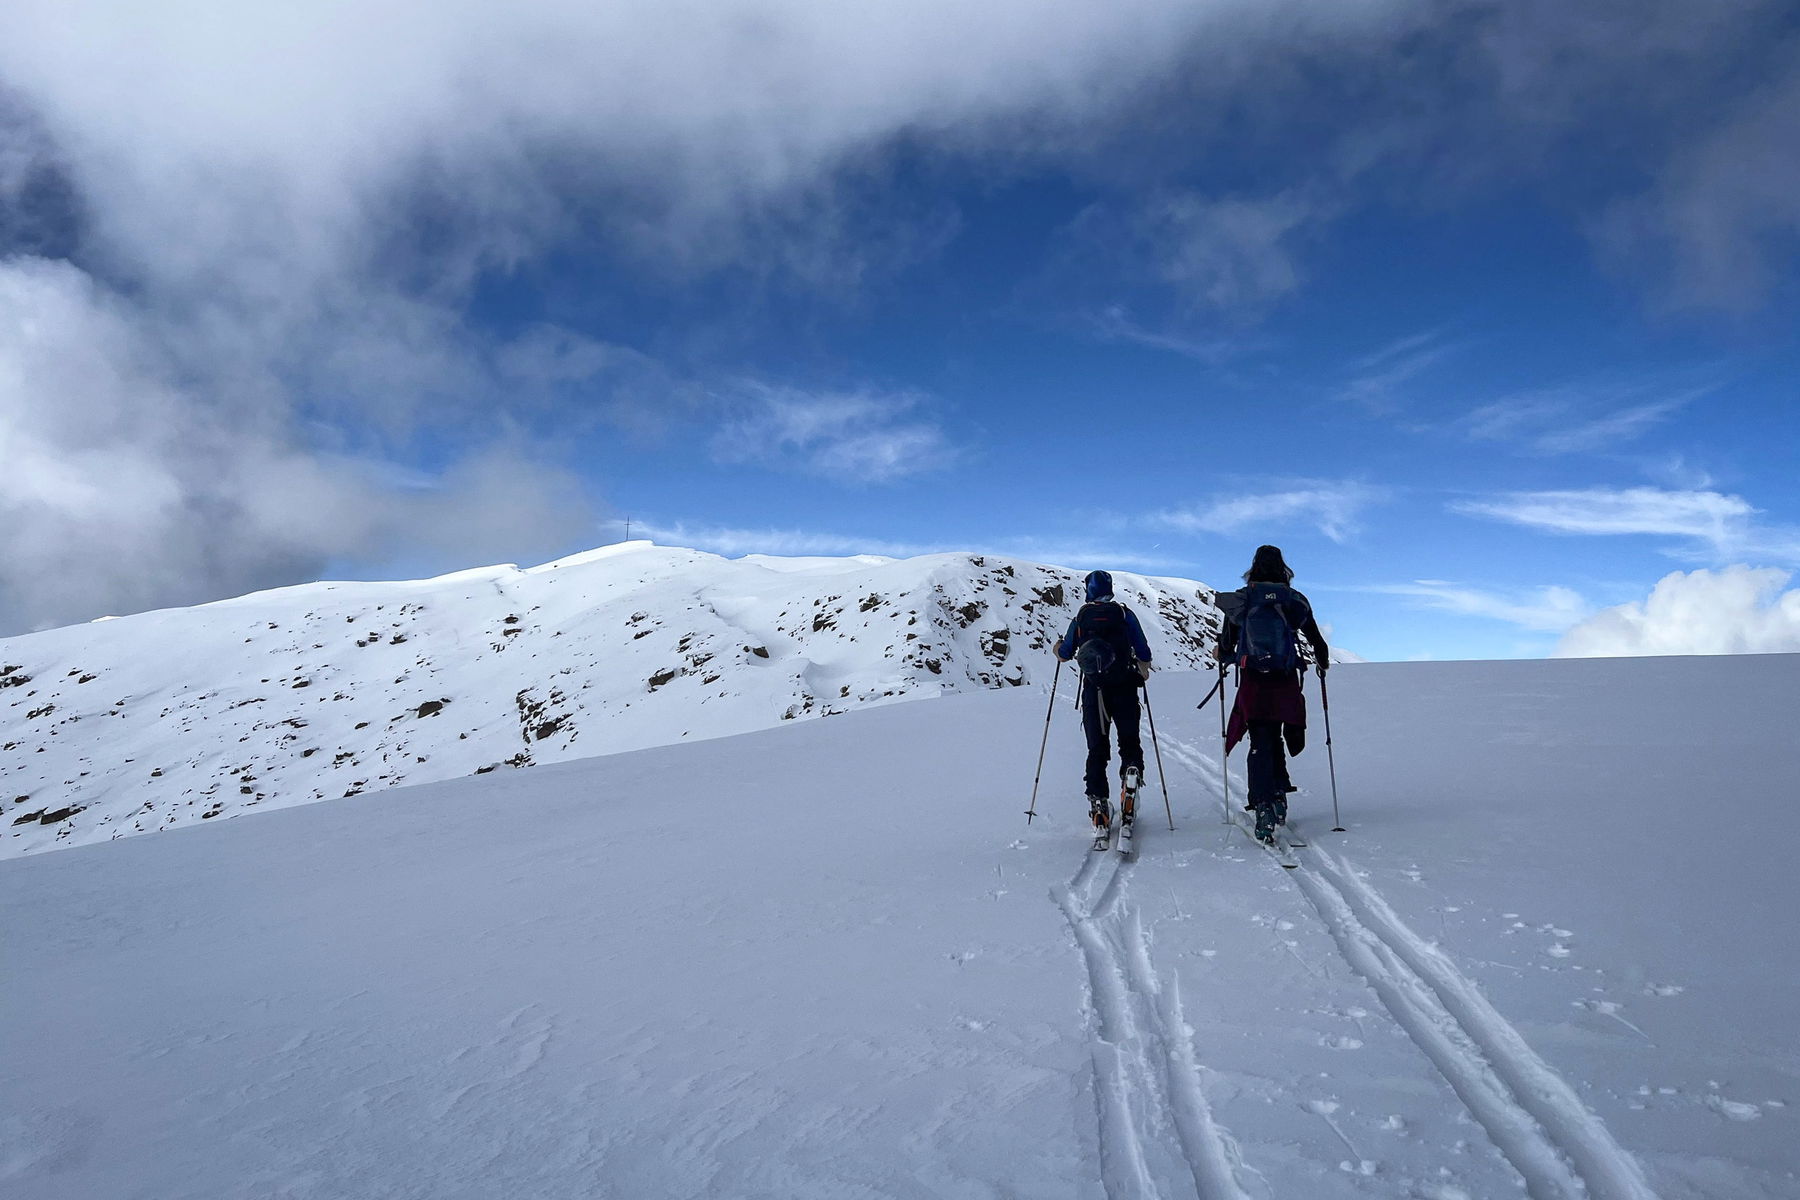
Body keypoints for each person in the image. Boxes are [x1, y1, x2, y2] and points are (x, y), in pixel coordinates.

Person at [1216, 545, 1329, 843]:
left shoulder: (1243, 599)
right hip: (1285, 679)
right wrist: (1322, 662)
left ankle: (1263, 804)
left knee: (1260, 739)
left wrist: (1226, 655)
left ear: (1253, 567)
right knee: (1276, 733)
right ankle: (1278, 796)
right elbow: (1317, 640)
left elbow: (1227, 643)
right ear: (1283, 568)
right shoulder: (1293, 599)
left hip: (1254, 679)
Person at [1055, 570, 1153, 836]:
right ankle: (1130, 777)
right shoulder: (1123, 614)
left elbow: (1065, 654)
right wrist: (1140, 664)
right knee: (1129, 741)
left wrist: (1058, 648)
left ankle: (1099, 803)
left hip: (1094, 691)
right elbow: (1143, 650)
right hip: (1125, 686)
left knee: (1097, 747)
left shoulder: (1081, 617)